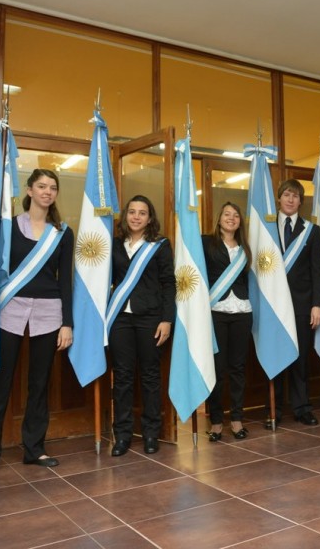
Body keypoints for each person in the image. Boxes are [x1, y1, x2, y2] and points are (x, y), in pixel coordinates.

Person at [0, 169, 74, 479]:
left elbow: (65, 281)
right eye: (41, 186)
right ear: (30, 191)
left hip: (49, 313)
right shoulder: (10, 227)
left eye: (53, 188)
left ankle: (34, 449)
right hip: (11, 310)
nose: (47, 192)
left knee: (39, 383)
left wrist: (67, 323)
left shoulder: (62, 231)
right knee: (1, 382)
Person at [108, 195, 175, 456]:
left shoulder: (159, 245)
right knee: (122, 377)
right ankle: (122, 436)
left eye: (142, 213)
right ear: (125, 216)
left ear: (150, 218)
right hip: (120, 319)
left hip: (150, 317)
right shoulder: (114, 244)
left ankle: (150, 434)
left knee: (150, 376)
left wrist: (167, 319)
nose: (136, 217)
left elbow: (169, 283)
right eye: (132, 212)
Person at [268, 179, 320, 427]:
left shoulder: (310, 231)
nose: (291, 200)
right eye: (287, 195)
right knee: (276, 356)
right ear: (279, 198)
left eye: (295, 196)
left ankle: (302, 407)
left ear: (301, 201)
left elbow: (318, 271)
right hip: (273, 306)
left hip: (303, 305)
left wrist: (317, 304)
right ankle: (275, 409)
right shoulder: (266, 229)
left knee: (300, 359)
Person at [203, 202, 253, 441]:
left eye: (236, 215)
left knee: (237, 368)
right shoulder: (205, 243)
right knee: (217, 368)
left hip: (242, 311)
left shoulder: (245, 247)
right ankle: (215, 421)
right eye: (227, 214)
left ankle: (236, 419)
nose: (231, 218)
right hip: (216, 312)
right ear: (219, 218)